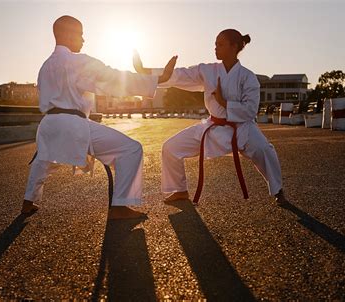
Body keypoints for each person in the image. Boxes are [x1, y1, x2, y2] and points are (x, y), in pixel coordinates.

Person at [22, 15, 177, 219]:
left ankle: (28, 202)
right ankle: (120, 206)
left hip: (49, 123)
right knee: (131, 149)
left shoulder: (44, 67)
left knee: (44, 160)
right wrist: (156, 80)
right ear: (68, 34)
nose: (84, 40)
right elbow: (112, 77)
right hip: (73, 124)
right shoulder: (77, 61)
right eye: (81, 34)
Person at [133, 29, 288, 205]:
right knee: (170, 147)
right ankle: (180, 190)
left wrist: (224, 103)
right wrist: (144, 70)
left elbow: (251, 110)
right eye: (215, 44)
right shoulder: (208, 70)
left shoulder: (248, 77)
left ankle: (278, 190)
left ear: (234, 46)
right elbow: (179, 75)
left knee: (265, 151)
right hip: (213, 127)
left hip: (243, 129)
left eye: (220, 44)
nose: (215, 48)